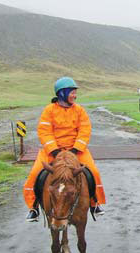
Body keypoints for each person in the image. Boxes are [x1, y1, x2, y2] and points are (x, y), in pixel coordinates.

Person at [23, 77, 106, 221]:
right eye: (72, 92)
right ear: (62, 93)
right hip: (53, 150)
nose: (75, 95)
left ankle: (94, 203)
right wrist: (55, 151)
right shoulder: (48, 110)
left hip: (76, 150)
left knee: (94, 172)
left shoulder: (79, 110)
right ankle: (34, 207)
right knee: (35, 174)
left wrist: (75, 149)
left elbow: (85, 130)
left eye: (75, 93)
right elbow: (44, 131)